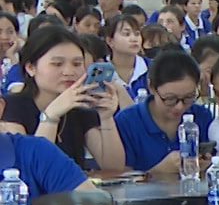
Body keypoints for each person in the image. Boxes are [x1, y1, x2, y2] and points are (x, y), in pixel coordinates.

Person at [0, 25, 127, 171]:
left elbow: (113, 168)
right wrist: (51, 116)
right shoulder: (11, 107)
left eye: (77, 64)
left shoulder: (81, 107)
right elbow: (34, 169)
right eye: (57, 64)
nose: (69, 72)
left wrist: (106, 118)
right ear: (30, 68)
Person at [112, 51, 213, 174]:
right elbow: (120, 176)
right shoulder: (127, 121)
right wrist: (157, 172)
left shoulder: (202, 116)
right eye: (170, 99)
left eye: (189, 97)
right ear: (151, 87)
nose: (179, 107)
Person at [103, 12, 148, 105]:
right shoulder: (100, 71)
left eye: (137, 34)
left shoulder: (153, 67)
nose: (134, 39)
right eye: (126, 34)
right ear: (110, 41)